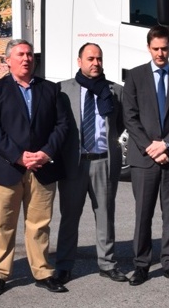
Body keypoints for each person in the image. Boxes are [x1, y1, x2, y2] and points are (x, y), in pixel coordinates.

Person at [0, 39, 70, 296]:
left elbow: (62, 126)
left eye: (30, 54)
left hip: (43, 168)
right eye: (20, 54)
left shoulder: (51, 90)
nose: (26, 59)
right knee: (4, 224)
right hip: (7, 168)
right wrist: (18, 156)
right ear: (8, 60)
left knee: (39, 224)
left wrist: (45, 152)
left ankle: (42, 271)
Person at [122, 26, 169, 286]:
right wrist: (151, 148)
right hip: (144, 159)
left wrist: (166, 145)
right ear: (148, 47)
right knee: (143, 214)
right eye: (156, 48)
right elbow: (130, 117)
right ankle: (141, 264)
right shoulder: (135, 76)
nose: (160, 53)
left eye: (164, 48)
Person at [54, 43, 128, 283]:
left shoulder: (115, 91)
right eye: (90, 58)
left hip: (103, 161)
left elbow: (123, 124)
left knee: (105, 215)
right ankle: (64, 265)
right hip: (73, 164)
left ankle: (107, 263)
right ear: (79, 61)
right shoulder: (63, 89)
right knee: (69, 216)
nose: (95, 63)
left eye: (99, 58)